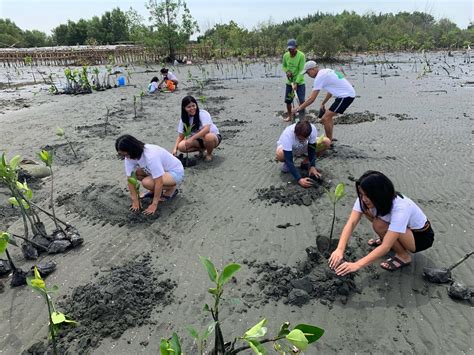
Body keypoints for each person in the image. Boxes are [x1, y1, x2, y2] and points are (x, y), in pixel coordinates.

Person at [329, 171, 435, 275]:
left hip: (420, 237)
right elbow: (351, 223)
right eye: (361, 194)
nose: (364, 199)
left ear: (380, 194)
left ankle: (403, 256)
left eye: (368, 195)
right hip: (403, 230)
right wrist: (339, 249)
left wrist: (356, 265)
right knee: (366, 211)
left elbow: (385, 247)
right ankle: (389, 237)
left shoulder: (401, 207)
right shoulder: (364, 199)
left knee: (379, 225)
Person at [115, 134, 184, 215]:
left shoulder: (150, 155)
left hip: (175, 172)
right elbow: (130, 179)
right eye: (122, 155)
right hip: (160, 172)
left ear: (132, 149)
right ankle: (153, 191)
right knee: (136, 173)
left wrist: (154, 204)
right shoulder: (129, 157)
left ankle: (171, 189)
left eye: (125, 154)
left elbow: (159, 182)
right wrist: (135, 200)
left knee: (146, 183)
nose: (125, 157)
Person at [293, 60, 355, 144]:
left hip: (346, 96)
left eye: (307, 73)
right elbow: (331, 90)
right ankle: (330, 138)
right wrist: (323, 103)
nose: (308, 75)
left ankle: (328, 142)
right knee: (328, 117)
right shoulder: (326, 71)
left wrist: (298, 109)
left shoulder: (319, 77)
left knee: (325, 118)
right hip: (345, 94)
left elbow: (312, 98)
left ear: (313, 69)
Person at [275, 120, 331, 188]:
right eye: (299, 138)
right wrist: (299, 179)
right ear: (295, 133)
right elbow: (289, 159)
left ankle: (306, 162)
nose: (301, 140)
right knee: (280, 155)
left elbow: (311, 148)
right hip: (290, 149)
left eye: (304, 138)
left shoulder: (312, 129)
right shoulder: (288, 134)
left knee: (327, 142)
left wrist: (312, 166)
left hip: (304, 146)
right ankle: (287, 162)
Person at [172, 96, 222, 162]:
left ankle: (209, 154)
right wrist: (175, 149)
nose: (192, 108)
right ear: (184, 108)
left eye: (193, 105)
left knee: (208, 137)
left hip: (213, 138)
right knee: (181, 146)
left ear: (196, 105)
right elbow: (181, 136)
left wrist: (191, 139)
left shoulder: (202, 113)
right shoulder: (184, 119)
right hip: (198, 140)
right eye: (189, 107)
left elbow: (206, 129)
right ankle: (201, 150)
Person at [282, 39, 306, 122]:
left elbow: (301, 70)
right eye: (289, 49)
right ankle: (290, 116)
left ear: (296, 47)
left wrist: (296, 83)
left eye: (292, 49)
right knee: (288, 101)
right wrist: (287, 71)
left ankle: (302, 119)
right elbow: (284, 66)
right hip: (289, 82)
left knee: (301, 101)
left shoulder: (301, 56)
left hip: (300, 82)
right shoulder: (286, 56)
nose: (291, 51)